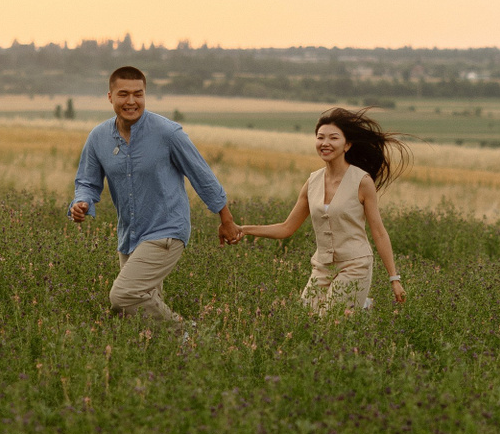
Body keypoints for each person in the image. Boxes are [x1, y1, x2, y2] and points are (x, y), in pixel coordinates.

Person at [70, 65, 241, 328]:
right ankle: (179, 351)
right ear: (110, 97)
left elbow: (202, 176)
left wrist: (226, 219)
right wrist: (81, 202)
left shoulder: (168, 133)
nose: (131, 101)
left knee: (124, 296)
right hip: (130, 235)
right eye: (123, 94)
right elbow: (87, 182)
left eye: (138, 94)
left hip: (166, 229)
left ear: (145, 95)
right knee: (143, 311)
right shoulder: (99, 138)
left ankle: (190, 333)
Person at [238, 107, 407, 313]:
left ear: (347, 145)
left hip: (355, 266)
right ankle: (363, 308)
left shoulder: (362, 181)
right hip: (322, 267)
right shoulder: (312, 181)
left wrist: (394, 279)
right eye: (320, 137)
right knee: (305, 319)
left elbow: (379, 232)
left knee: (332, 321)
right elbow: (286, 228)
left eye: (333, 138)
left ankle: (359, 305)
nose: (325, 143)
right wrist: (244, 229)